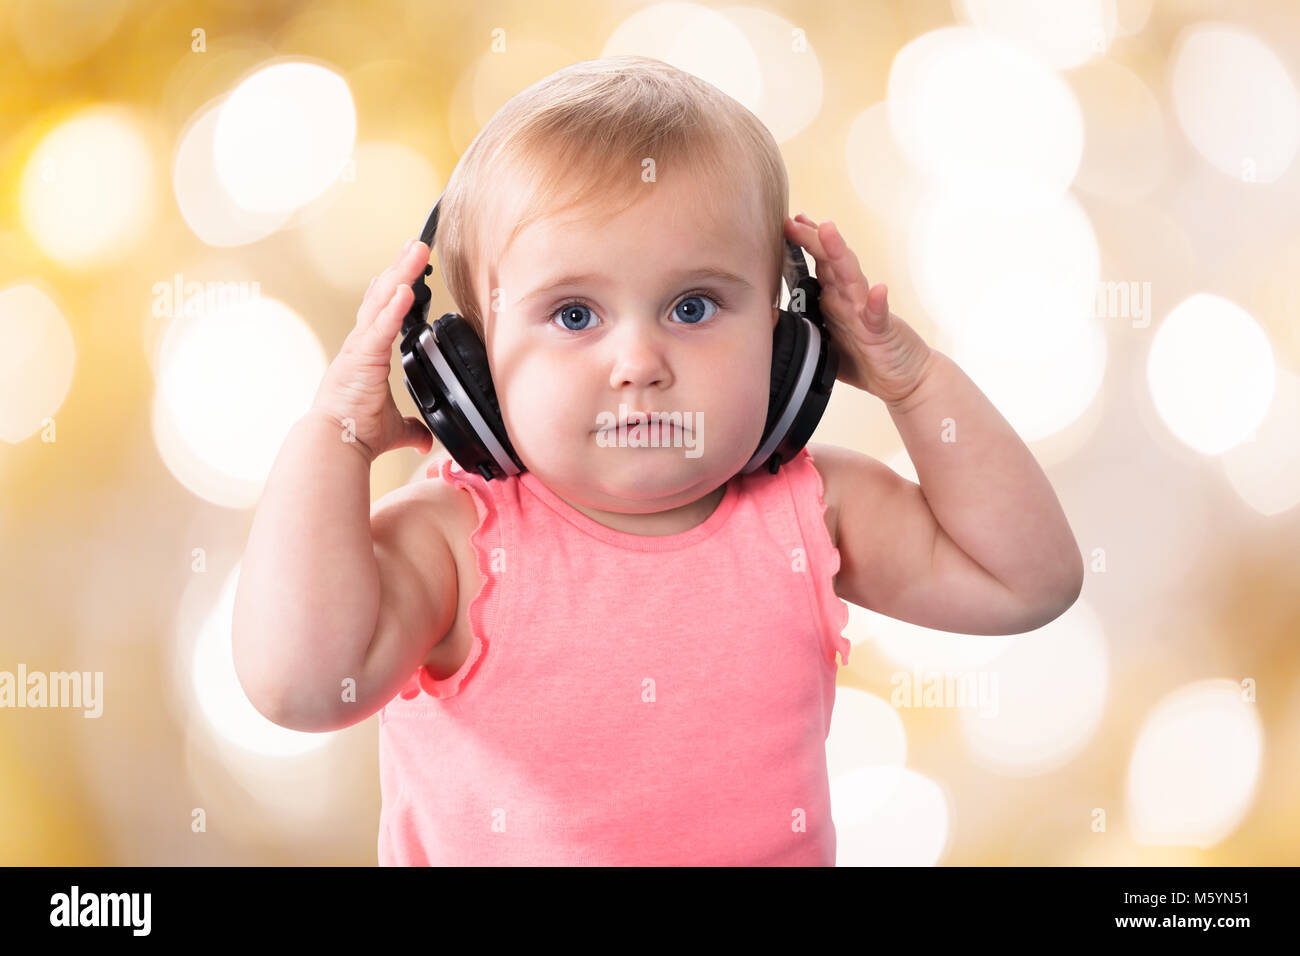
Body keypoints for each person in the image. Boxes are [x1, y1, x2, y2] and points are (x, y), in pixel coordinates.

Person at [232, 55, 1084, 866]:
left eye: (693, 304)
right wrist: (335, 435)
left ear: (788, 341)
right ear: (474, 365)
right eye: (574, 315)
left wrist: (914, 380)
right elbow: (302, 685)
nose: (639, 361)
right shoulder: (454, 540)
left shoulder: (811, 509)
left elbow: (1026, 580)